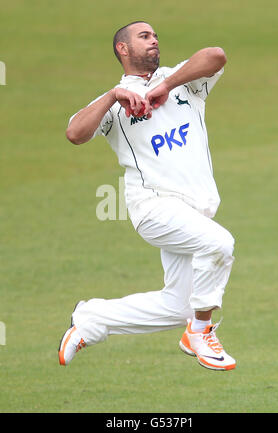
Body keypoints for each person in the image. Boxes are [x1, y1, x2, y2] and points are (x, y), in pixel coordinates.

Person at [59, 21, 236, 371]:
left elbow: (216, 56)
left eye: (155, 35)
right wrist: (113, 96)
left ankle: (91, 319)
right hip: (153, 207)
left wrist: (165, 86)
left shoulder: (183, 81)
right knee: (219, 245)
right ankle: (199, 332)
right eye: (144, 36)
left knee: (177, 306)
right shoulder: (115, 101)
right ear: (122, 49)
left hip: (194, 211)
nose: (154, 40)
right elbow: (75, 133)